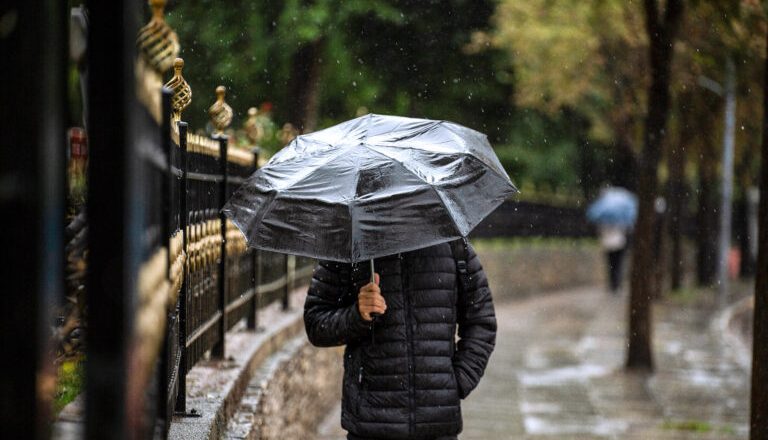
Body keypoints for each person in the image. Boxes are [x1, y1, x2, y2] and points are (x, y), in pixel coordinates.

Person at [304, 239, 496, 440]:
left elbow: (481, 321)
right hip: (371, 422)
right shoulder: (350, 245)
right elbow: (316, 323)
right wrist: (357, 315)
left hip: (436, 425)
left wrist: (458, 381)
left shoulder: (451, 242)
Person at [598, 223, 629, 294]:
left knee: (611, 266)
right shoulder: (621, 221)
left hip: (608, 245)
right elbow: (624, 231)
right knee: (618, 265)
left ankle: (613, 284)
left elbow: (601, 232)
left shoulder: (604, 222)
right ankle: (617, 283)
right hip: (619, 244)